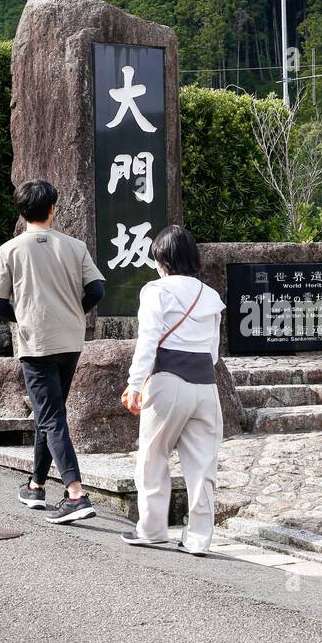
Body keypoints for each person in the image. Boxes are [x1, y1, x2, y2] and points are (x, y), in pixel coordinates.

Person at [0, 179, 105, 524]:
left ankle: (76, 493)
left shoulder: (9, 251)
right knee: (49, 413)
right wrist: (74, 311)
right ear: (53, 209)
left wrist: (21, 317)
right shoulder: (75, 246)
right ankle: (36, 486)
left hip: (35, 342)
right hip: (71, 340)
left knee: (51, 416)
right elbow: (96, 291)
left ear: (22, 212)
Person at [120, 225, 225, 556]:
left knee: (153, 457)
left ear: (161, 259)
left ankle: (152, 528)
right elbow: (213, 351)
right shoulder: (210, 296)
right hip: (206, 386)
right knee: (202, 465)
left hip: (167, 381)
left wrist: (134, 384)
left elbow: (148, 341)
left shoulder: (156, 291)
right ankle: (198, 537)